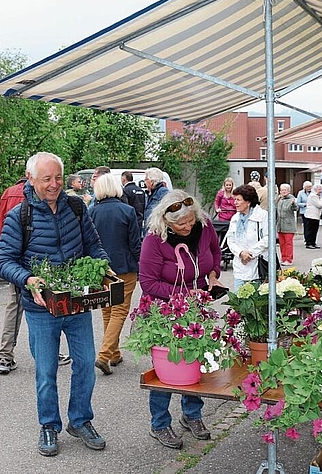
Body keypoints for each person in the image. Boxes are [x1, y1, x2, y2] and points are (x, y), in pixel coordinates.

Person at [0, 152, 109, 457]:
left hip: (76, 302)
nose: (55, 184)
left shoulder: (76, 207)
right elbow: (3, 260)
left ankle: (80, 420)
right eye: (47, 179)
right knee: (46, 372)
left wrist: (103, 265)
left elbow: (94, 245)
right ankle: (48, 425)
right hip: (41, 308)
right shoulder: (21, 215)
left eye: (58, 177)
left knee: (85, 364)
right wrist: (28, 279)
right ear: (31, 179)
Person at [139, 189, 225, 449]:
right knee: (166, 370)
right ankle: (160, 423)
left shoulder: (205, 226)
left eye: (190, 221)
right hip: (166, 311)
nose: (187, 227)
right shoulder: (155, 240)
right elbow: (148, 283)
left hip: (197, 306)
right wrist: (185, 293)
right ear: (166, 221)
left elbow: (215, 252)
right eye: (180, 224)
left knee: (194, 361)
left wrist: (213, 275)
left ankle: (192, 415)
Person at [0, 174, 71, 374]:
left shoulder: (7, 193)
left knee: (16, 307)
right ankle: (47, 353)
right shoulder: (33, 197)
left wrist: (1, 255)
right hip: (31, 264)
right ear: (31, 179)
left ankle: (5, 356)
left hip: (13, 260)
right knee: (40, 308)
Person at [90, 173, 141, 375]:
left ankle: (114, 353)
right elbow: (135, 244)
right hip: (125, 267)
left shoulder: (91, 212)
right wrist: (142, 267)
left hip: (102, 269)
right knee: (119, 312)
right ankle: (104, 355)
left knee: (107, 311)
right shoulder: (127, 211)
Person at [226, 184, 269, 291]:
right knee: (238, 300)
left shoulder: (263, 215)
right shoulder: (235, 218)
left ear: (248, 201)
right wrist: (241, 253)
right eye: (234, 199)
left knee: (256, 303)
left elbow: (268, 239)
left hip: (258, 267)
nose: (235, 202)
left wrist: (250, 254)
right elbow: (230, 240)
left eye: (238, 200)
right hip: (240, 267)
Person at [276, 183, 298, 266]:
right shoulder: (279, 199)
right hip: (280, 225)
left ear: (289, 191)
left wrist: (293, 204)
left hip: (289, 225)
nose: (283, 192)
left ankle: (289, 259)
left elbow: (295, 208)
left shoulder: (292, 199)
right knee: (282, 243)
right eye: (282, 190)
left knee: (288, 243)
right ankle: (283, 258)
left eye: (285, 190)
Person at [143, 167, 169, 232]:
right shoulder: (150, 194)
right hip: (150, 230)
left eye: (146, 179)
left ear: (152, 182)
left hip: (157, 231)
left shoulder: (163, 192)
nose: (144, 182)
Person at [121, 171, 146, 238]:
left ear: (123, 179)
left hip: (130, 223)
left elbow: (125, 207)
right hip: (140, 221)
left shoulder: (125, 191)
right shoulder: (140, 190)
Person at [303, 183, 322, 249]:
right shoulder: (313, 196)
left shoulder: (316, 196)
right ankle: (309, 243)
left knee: (314, 230)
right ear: (316, 189)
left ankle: (313, 243)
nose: (321, 191)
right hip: (311, 215)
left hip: (315, 216)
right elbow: (320, 205)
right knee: (310, 230)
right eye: (319, 189)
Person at [296, 181, 313, 246]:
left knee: (312, 227)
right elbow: (298, 203)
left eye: (310, 187)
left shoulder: (312, 193)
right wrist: (305, 204)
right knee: (306, 226)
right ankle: (307, 240)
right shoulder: (301, 193)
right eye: (308, 187)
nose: (309, 188)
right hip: (304, 212)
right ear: (305, 187)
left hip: (312, 212)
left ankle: (312, 240)